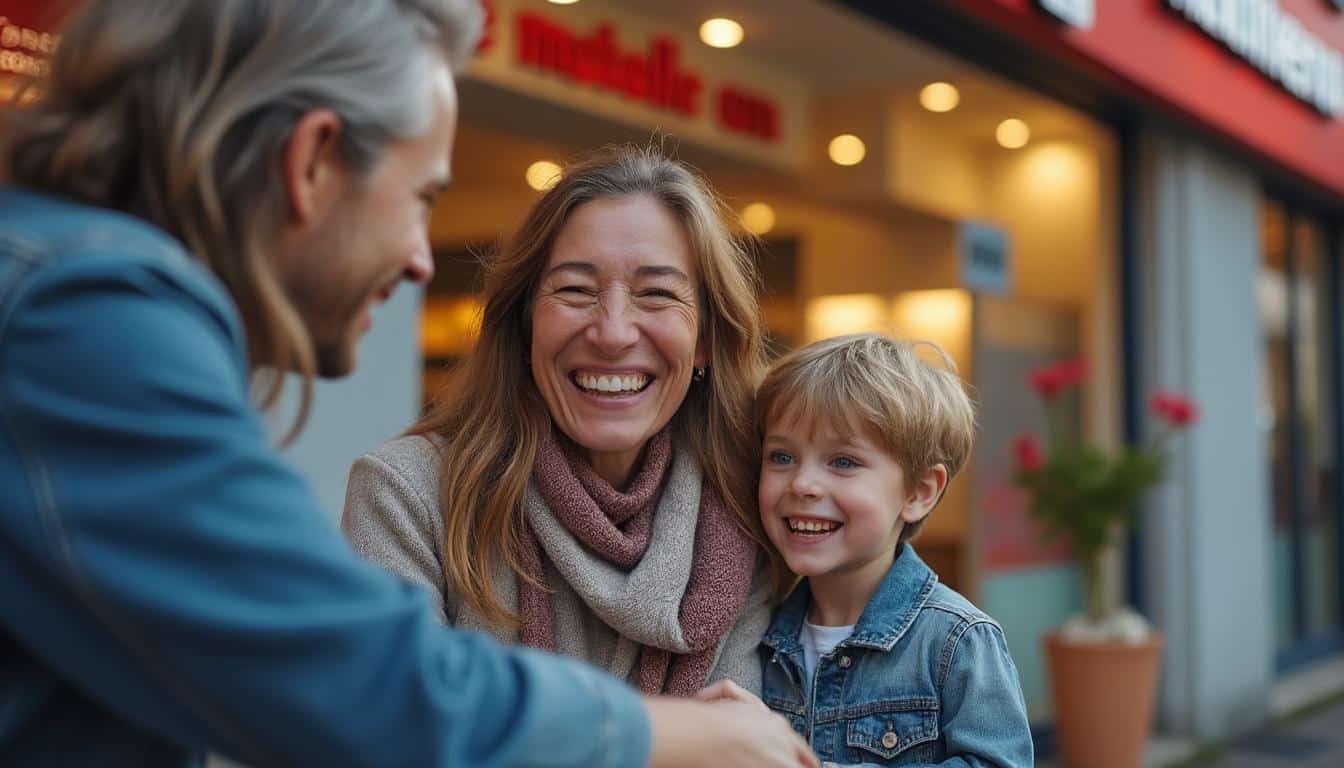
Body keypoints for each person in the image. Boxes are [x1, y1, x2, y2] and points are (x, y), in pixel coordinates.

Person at [0, 2, 816, 766]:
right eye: (422, 197)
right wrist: (686, 736)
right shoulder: (79, 314)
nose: (423, 260)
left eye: (657, 294)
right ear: (313, 159)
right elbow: (357, 683)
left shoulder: (69, 296)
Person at [342, 145, 788, 697]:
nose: (614, 332)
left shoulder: (740, 514)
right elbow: (395, 734)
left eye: (657, 295)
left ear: (705, 343)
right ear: (526, 324)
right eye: (576, 290)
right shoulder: (406, 494)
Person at [753, 333, 1034, 767]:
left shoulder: (955, 641)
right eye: (781, 456)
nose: (802, 484)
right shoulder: (758, 635)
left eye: (843, 462)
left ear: (919, 492)